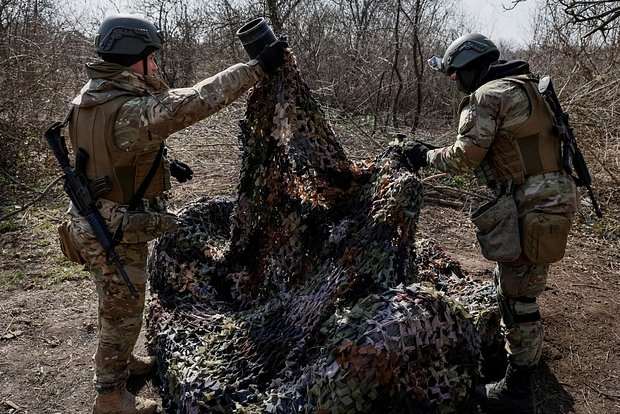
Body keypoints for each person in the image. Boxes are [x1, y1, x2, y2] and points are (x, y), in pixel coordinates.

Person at [61, 13, 287, 414]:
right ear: (135, 56)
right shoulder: (127, 108)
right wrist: (255, 68)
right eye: (152, 56)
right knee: (122, 310)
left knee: (113, 304)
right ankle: (110, 398)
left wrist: (164, 164)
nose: (156, 64)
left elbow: (115, 154)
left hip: (93, 218)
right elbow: (193, 101)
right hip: (113, 229)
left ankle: (121, 363)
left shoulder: (92, 96)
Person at [405, 33, 579, 413]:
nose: (456, 82)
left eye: (456, 76)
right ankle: (513, 363)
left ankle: (518, 391)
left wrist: (421, 155)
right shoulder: (524, 85)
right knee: (516, 288)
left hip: (534, 204)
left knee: (519, 299)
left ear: (471, 68)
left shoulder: (488, 95)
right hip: (548, 197)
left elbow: (464, 156)